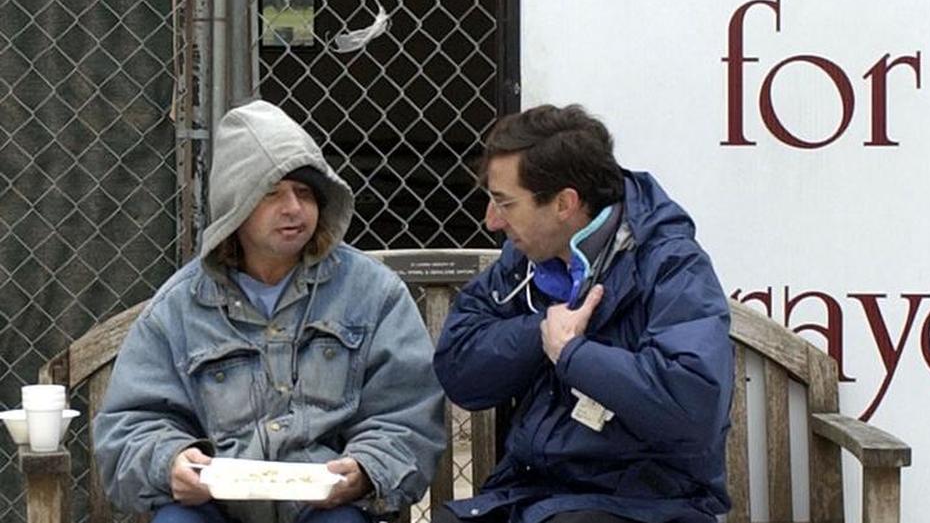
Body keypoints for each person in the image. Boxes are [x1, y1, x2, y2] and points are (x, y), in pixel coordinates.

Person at [94, 100, 446, 523]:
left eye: (304, 192)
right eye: (271, 193)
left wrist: (366, 470)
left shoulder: (373, 293)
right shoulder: (178, 309)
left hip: (327, 509)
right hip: (215, 510)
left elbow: (406, 413)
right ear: (235, 209)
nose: (294, 209)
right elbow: (131, 424)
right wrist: (168, 463)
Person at [433, 104, 734, 523]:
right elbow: (459, 369)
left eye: (505, 203)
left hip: (651, 503)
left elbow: (692, 404)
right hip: (533, 492)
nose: (491, 221)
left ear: (564, 204)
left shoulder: (670, 264)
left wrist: (573, 354)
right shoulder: (523, 261)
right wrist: (540, 330)